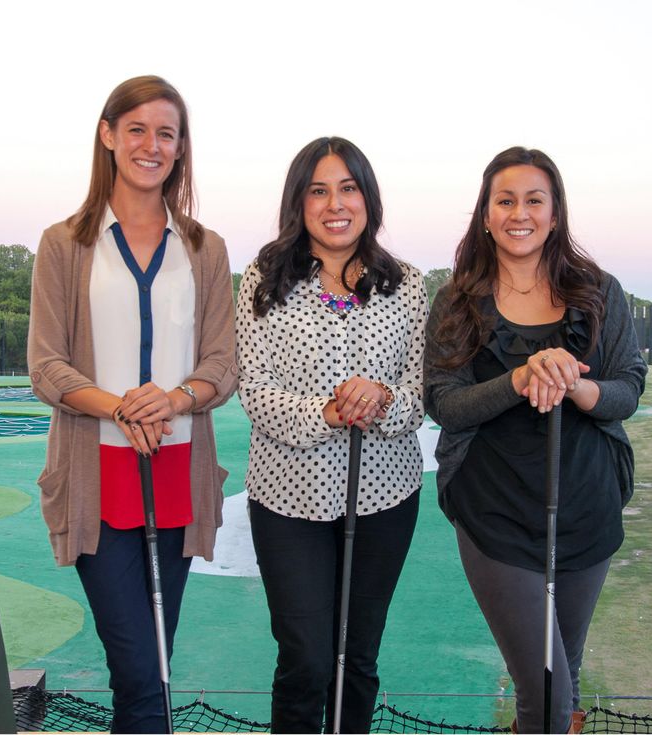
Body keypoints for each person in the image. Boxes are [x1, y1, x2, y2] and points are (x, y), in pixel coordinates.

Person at [27, 75, 236, 733]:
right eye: (138, 128)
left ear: (181, 147)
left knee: (149, 670)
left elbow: (221, 366)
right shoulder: (65, 242)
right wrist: (123, 407)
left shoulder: (204, 247)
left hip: (177, 478)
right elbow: (47, 366)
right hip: (99, 480)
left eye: (166, 133)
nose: (152, 144)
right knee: (143, 673)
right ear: (108, 134)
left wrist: (170, 400)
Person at [423, 147, 646, 734]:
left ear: (554, 212)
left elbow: (627, 388)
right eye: (505, 200)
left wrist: (571, 383)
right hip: (494, 506)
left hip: (585, 501)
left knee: (564, 679)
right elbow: (443, 403)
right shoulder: (456, 300)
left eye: (533, 200)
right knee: (544, 689)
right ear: (487, 214)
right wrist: (521, 378)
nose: (519, 212)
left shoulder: (600, 291)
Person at [236, 136, 428, 733]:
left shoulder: (409, 286)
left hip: (385, 499)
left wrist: (386, 397)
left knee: (357, 660)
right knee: (307, 658)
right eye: (318, 190)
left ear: (368, 198)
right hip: (288, 500)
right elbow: (254, 387)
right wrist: (328, 411)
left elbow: (423, 388)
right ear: (299, 201)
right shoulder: (263, 280)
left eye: (348, 188)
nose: (334, 203)